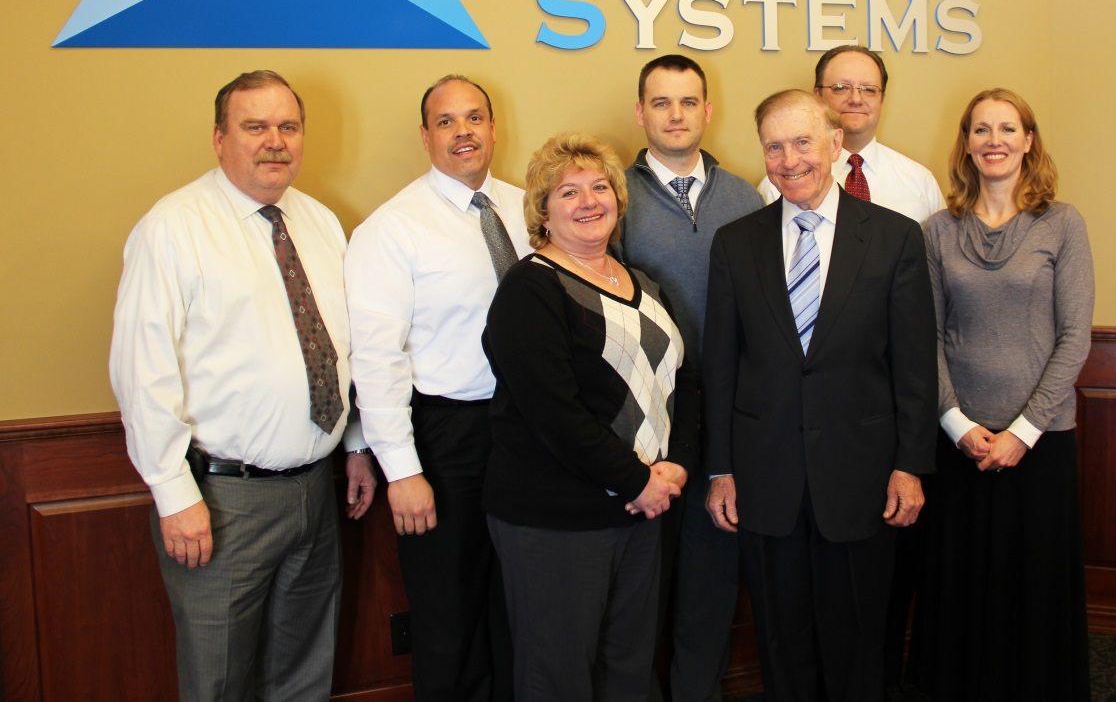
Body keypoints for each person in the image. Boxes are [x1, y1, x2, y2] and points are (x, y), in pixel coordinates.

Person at [110, 69, 377, 702]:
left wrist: (357, 443)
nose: (274, 142)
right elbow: (140, 371)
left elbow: (342, 349)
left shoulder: (319, 222)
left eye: (288, 127)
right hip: (223, 501)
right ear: (219, 137)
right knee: (219, 682)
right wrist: (174, 494)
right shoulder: (172, 228)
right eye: (254, 127)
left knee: (304, 675)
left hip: (316, 491)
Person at [704, 89, 936, 702]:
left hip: (862, 476)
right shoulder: (735, 242)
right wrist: (721, 469)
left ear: (836, 143)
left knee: (859, 635)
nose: (789, 159)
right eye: (774, 146)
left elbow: (914, 368)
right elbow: (721, 366)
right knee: (781, 637)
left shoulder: (895, 238)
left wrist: (910, 466)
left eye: (803, 142)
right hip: (764, 474)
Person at [482, 132, 700, 701]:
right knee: (558, 675)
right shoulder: (530, 290)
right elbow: (553, 414)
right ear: (543, 213)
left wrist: (675, 466)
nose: (588, 201)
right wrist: (636, 481)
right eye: (568, 192)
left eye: (599, 186)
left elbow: (683, 383)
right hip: (557, 518)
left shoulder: (643, 284)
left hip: (642, 508)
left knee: (628, 667)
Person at [344, 75, 529, 702]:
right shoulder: (391, 229)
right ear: (425, 137)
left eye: (475, 117)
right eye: (447, 122)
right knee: (448, 613)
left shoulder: (529, 208)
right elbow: (376, 359)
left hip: (529, 429)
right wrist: (402, 470)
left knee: (517, 604)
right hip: (447, 436)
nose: (464, 132)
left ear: (494, 127)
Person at [910, 89, 1093, 701]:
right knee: (958, 585)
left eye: (1007, 128)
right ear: (966, 143)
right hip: (959, 440)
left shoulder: (1062, 223)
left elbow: (1074, 336)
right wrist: (955, 422)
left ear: (1028, 141)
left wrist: (1024, 432)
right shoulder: (938, 230)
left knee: (1033, 585)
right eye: (981, 129)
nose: (995, 140)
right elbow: (926, 337)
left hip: (1039, 443)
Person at [617, 54, 762, 702]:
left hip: (728, 412)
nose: (675, 114)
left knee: (710, 579)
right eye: (661, 102)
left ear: (707, 111)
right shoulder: (612, 196)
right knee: (642, 579)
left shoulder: (746, 196)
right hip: (643, 417)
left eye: (687, 101)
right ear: (640, 112)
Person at [758, 45, 943, 224]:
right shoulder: (780, 183)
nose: (855, 99)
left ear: (882, 100)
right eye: (840, 87)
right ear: (817, 96)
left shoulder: (921, 182)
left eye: (868, 89)